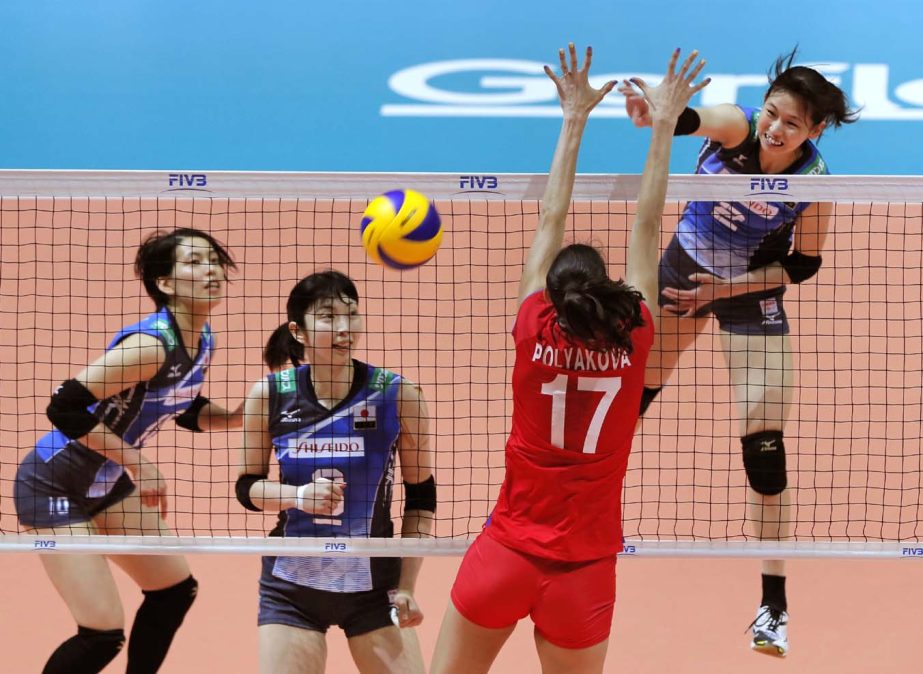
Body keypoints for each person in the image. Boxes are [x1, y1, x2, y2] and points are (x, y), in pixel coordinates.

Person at [429, 45, 708, 674]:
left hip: (504, 557)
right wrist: (663, 124)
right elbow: (647, 220)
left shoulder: (533, 328)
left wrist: (573, 117)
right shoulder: (637, 332)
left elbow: (550, 214)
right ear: (607, 291)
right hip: (583, 573)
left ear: (550, 296)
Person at [619, 48, 859, 657]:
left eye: (793, 125)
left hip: (749, 292)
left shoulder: (813, 183)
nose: (776, 130)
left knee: (766, 448)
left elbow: (803, 262)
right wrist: (658, 115)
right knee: (628, 401)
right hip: (680, 272)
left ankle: (773, 608)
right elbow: (696, 120)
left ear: (816, 131)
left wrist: (726, 290)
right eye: (773, 115)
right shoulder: (739, 128)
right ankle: (578, 525)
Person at [14, 227, 242, 673]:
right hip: (53, 484)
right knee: (102, 635)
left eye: (213, 259)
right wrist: (140, 464)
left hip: (106, 481)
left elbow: (182, 406)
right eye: (194, 262)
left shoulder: (201, 338)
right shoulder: (149, 346)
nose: (211, 269)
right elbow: (65, 406)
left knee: (175, 590)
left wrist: (237, 418)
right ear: (165, 283)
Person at [237, 270, 435, 674]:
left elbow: (421, 495)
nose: (345, 328)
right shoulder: (270, 395)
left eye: (352, 314)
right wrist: (296, 497)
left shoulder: (397, 394)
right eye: (328, 316)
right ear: (299, 331)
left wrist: (408, 586)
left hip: (374, 588)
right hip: (292, 585)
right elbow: (247, 487)